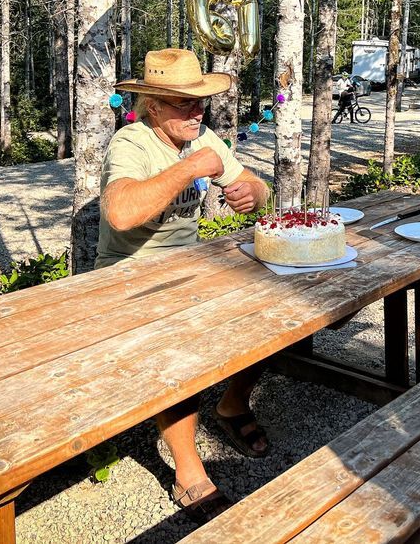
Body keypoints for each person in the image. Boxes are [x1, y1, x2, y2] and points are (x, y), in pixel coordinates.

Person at [97, 48, 271, 523]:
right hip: (129, 276)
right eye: (183, 103)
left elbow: (260, 192)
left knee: (279, 314)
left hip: (190, 269)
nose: (196, 112)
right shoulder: (131, 142)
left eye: (200, 103)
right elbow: (120, 212)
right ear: (152, 106)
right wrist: (191, 168)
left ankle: (231, 407)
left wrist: (249, 192)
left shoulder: (201, 134)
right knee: (181, 351)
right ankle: (188, 470)